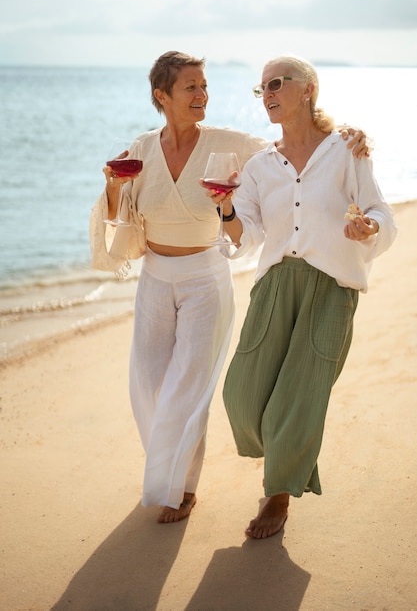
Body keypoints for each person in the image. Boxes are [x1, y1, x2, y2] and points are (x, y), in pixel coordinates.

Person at [90, 51, 371, 525]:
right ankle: (168, 470)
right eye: (190, 87)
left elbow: (293, 150)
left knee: (189, 387)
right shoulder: (140, 148)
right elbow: (118, 214)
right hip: (155, 276)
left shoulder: (230, 142)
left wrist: (345, 135)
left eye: (204, 86)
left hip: (204, 275)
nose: (202, 95)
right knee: (149, 386)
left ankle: (181, 487)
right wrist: (112, 185)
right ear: (162, 96)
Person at [204, 54, 397, 539]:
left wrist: (368, 226)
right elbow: (243, 235)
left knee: (300, 396)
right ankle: (286, 463)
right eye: (261, 88)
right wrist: (226, 208)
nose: (266, 93)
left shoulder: (347, 149)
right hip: (274, 285)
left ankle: (279, 495)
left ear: (307, 88)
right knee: (242, 396)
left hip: (331, 285)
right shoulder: (260, 165)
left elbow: (378, 209)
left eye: (276, 83)